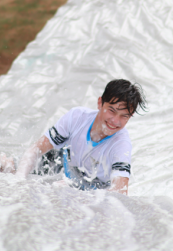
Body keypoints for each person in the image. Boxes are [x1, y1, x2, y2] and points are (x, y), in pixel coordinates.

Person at [16, 79, 146, 195]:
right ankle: (3, 162)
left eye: (124, 116)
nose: (115, 121)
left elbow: (120, 193)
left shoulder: (121, 144)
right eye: (112, 111)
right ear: (100, 103)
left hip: (92, 188)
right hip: (60, 164)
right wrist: (19, 182)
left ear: (131, 116)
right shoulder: (77, 117)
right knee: (18, 169)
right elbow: (35, 150)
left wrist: (75, 190)